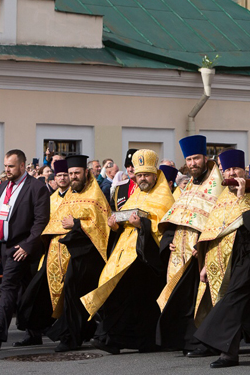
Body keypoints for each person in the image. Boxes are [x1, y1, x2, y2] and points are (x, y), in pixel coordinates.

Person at [193, 149, 250, 368]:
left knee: (232, 300)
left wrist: (243, 198)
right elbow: (213, 232)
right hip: (225, 258)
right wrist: (205, 264)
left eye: (235, 168)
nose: (231, 173)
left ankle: (227, 353)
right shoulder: (222, 197)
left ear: (244, 170)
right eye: (227, 170)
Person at [82, 149, 174, 354]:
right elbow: (125, 221)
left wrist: (143, 225)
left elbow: (165, 227)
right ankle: (113, 338)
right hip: (126, 255)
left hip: (147, 259)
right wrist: (115, 224)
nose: (142, 179)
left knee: (140, 301)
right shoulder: (135, 194)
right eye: (139, 175)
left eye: (146, 175)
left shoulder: (164, 197)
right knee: (121, 296)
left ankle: (121, 340)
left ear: (155, 174)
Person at [17, 157, 110, 352]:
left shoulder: (95, 196)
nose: (73, 177)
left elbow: (100, 227)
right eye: (71, 173)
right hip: (60, 254)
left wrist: (76, 224)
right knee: (58, 293)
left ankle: (70, 338)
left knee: (74, 294)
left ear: (86, 173)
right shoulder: (68, 196)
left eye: (77, 173)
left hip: (85, 256)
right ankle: (79, 333)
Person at [157, 135, 225, 356]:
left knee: (202, 296)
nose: (193, 163)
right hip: (181, 249)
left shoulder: (217, 184)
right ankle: (188, 341)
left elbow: (219, 217)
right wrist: (170, 241)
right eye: (189, 159)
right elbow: (176, 217)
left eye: (196, 158)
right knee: (184, 298)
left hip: (203, 249)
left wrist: (204, 243)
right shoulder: (188, 186)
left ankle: (206, 343)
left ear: (205, 158)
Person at [0, 149, 50, 349]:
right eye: (5, 166)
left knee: (8, 287)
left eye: (11, 166)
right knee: (25, 292)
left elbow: (41, 221)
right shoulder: (3, 186)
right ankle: (35, 333)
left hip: (21, 247)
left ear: (22, 166)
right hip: (4, 247)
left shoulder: (36, 187)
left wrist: (28, 245)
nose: (7, 170)